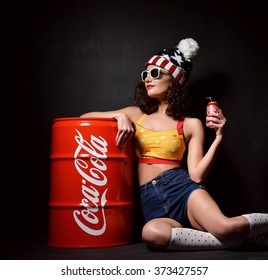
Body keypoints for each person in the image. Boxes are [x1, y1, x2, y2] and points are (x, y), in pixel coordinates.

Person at [81, 38, 268, 251]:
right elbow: (84, 117)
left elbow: (196, 175)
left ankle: (235, 236)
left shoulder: (190, 124)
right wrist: (117, 116)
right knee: (152, 234)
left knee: (225, 227)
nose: (147, 80)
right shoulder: (136, 114)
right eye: (145, 74)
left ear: (174, 79)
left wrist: (219, 137)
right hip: (149, 199)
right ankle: (243, 240)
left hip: (181, 188)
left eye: (155, 73)